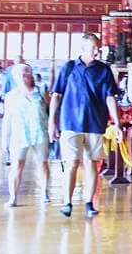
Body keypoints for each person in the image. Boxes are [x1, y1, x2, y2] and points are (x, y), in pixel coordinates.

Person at [49, 33, 121, 219]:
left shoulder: (103, 70)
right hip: (70, 122)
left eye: (98, 48)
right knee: (72, 163)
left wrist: (118, 123)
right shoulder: (69, 68)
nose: (96, 51)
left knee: (91, 163)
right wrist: (52, 123)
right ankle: (67, 202)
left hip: (95, 122)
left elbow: (110, 97)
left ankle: (89, 202)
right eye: (92, 48)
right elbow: (56, 95)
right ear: (83, 49)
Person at [1, 63, 50, 207]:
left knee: (42, 163)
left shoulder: (41, 91)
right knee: (17, 164)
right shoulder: (11, 96)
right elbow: (7, 118)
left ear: (31, 75)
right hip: (19, 133)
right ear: (14, 77)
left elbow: (51, 110)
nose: (23, 78)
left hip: (40, 132)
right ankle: (13, 197)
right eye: (20, 75)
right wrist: (5, 138)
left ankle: (44, 192)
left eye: (26, 74)